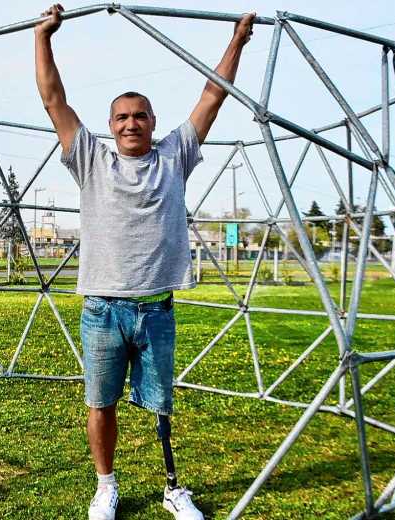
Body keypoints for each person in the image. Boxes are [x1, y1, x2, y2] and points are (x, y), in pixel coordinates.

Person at [34, 4, 255, 519]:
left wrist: (237, 41)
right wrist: (43, 37)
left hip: (157, 309)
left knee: (160, 403)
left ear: (153, 122)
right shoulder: (90, 159)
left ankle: (173, 487)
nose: (131, 123)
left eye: (140, 115)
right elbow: (53, 99)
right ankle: (105, 486)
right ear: (110, 126)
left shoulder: (175, 155)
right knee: (100, 403)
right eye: (122, 117)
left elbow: (213, 95)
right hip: (102, 310)